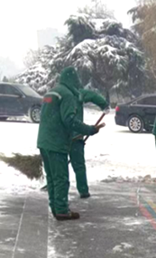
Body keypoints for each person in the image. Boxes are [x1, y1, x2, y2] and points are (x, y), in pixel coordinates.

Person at [37, 67, 105, 220]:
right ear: (74, 80)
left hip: (43, 141)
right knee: (61, 178)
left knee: (52, 177)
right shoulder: (67, 95)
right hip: (57, 142)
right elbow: (69, 120)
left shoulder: (52, 92)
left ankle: (55, 206)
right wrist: (89, 130)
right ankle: (61, 210)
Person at [69, 86, 109, 199]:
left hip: (61, 136)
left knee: (59, 166)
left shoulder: (59, 93)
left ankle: (57, 188)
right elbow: (93, 95)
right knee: (79, 165)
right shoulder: (78, 93)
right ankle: (83, 190)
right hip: (76, 135)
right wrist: (104, 105)